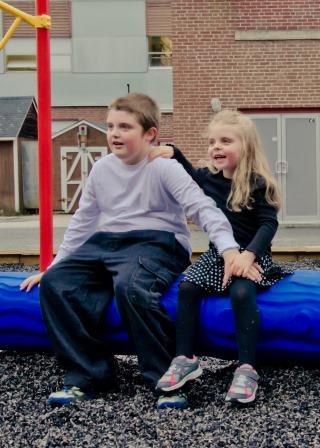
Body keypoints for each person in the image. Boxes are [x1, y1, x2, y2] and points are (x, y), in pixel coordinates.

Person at [20, 94, 252, 410]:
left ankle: (167, 378)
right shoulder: (101, 169)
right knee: (56, 284)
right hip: (107, 242)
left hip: (158, 242)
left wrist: (228, 250)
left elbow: (202, 208)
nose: (114, 133)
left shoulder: (164, 168)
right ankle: (89, 374)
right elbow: (84, 221)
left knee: (131, 287)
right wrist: (54, 265)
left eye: (125, 127)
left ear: (150, 134)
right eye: (111, 126)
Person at [151, 109, 292, 405]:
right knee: (187, 288)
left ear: (246, 147)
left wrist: (249, 255)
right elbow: (187, 170)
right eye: (213, 142)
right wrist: (171, 151)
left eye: (225, 141)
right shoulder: (209, 179)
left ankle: (246, 367)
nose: (216, 147)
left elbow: (269, 224)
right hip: (218, 255)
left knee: (242, 293)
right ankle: (185, 358)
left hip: (252, 256)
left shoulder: (258, 183)